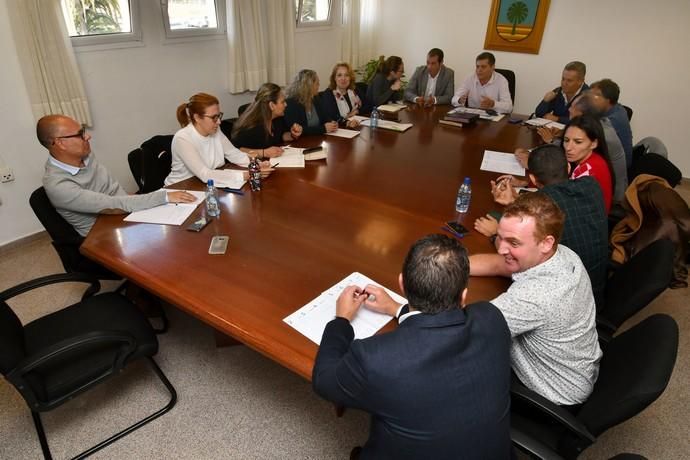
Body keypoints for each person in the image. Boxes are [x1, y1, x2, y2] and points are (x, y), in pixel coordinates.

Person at [313, 234, 512, 459]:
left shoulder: (374, 358)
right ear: (464, 296)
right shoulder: (491, 318)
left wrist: (341, 320)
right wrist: (397, 309)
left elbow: (324, 380)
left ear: (402, 284)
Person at [470, 192, 602, 407]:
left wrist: (399, 306)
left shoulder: (535, 296)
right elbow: (498, 264)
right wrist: (447, 266)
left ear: (545, 243)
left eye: (513, 242)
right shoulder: (562, 253)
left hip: (551, 396)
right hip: (576, 369)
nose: (502, 248)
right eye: (500, 237)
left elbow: (464, 332)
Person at [475, 144, 608, 306]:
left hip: (563, 296)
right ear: (567, 167)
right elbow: (557, 206)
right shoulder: (591, 185)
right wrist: (517, 201)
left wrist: (496, 233)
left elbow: (513, 259)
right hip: (595, 288)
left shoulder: (541, 207)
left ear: (532, 179)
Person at [37, 115, 196, 237]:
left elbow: (114, 191)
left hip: (125, 215)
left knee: (184, 225)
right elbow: (112, 205)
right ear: (60, 143)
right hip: (102, 236)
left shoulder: (86, 156)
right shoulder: (57, 185)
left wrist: (144, 206)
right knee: (165, 243)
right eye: (80, 134)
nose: (87, 137)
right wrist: (164, 197)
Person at [165, 92, 272, 188]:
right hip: (180, 188)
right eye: (213, 117)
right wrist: (248, 175)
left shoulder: (215, 129)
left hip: (204, 184)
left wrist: (256, 164)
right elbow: (204, 174)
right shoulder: (183, 138)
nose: (219, 122)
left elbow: (234, 154)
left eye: (219, 116)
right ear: (197, 117)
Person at [568, 94, 627, 205]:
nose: (569, 109)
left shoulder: (601, 135)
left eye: (572, 107)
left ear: (582, 115)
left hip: (612, 198)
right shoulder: (598, 125)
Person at [231, 83, 303, 157]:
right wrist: (263, 153)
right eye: (282, 102)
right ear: (272, 105)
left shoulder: (278, 119)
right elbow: (236, 150)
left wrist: (293, 134)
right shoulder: (251, 126)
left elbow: (281, 136)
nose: (286, 104)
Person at [589, 78, 633, 167]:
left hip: (615, 168)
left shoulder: (613, 120)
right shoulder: (616, 107)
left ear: (608, 100)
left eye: (596, 96)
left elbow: (587, 138)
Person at [284, 69, 338, 136]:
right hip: (299, 143)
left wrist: (331, 122)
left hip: (317, 140)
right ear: (308, 86)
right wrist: (323, 129)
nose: (319, 86)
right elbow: (297, 129)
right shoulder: (291, 103)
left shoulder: (315, 98)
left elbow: (324, 117)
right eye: (317, 83)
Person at [318, 62, 364, 128]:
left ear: (350, 78)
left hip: (355, 126)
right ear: (334, 78)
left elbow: (368, 105)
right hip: (339, 129)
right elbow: (332, 117)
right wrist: (348, 122)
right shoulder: (329, 94)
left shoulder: (354, 90)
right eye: (339, 75)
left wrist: (357, 111)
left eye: (346, 75)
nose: (343, 78)